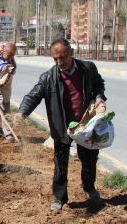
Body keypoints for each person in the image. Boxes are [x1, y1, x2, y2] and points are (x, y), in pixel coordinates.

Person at [14, 38, 107, 212]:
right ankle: (59, 196)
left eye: (62, 57)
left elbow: (98, 85)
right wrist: (22, 112)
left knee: (89, 161)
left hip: (85, 125)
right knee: (60, 164)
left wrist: (99, 98)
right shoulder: (49, 77)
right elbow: (33, 96)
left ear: (71, 53)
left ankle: (89, 188)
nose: (59, 62)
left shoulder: (88, 69)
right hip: (61, 126)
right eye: (55, 59)